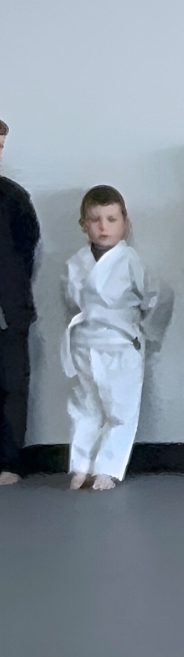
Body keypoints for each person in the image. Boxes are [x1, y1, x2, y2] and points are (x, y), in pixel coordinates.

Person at [62, 186, 170, 490]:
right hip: (84, 343)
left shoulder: (132, 261)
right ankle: (80, 465)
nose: (103, 227)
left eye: (111, 219)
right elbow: (70, 304)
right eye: (95, 220)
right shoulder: (75, 263)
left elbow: (158, 298)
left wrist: (146, 331)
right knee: (85, 406)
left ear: (125, 222)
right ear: (83, 225)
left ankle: (106, 468)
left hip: (121, 342)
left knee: (120, 408)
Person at [0, 119, 40, 486]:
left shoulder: (13, 199)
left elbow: (26, 248)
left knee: (11, 385)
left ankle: (8, 461)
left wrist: (11, 290)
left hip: (8, 309)